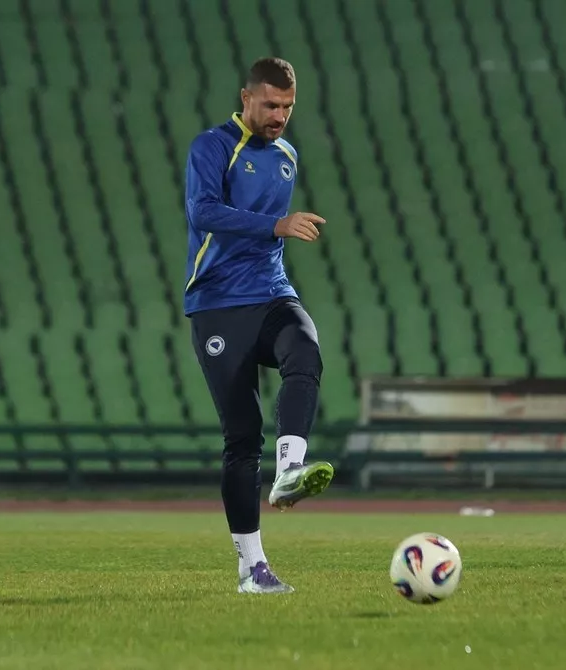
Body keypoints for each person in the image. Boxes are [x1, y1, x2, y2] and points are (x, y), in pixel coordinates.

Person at [183, 57, 333, 594]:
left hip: (271, 293)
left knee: (305, 350)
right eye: (270, 104)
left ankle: (290, 469)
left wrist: (275, 233)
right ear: (246, 98)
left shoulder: (287, 156)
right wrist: (276, 225)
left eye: (287, 106)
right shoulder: (212, 146)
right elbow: (202, 212)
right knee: (242, 437)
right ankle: (252, 568)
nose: (279, 116)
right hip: (218, 303)